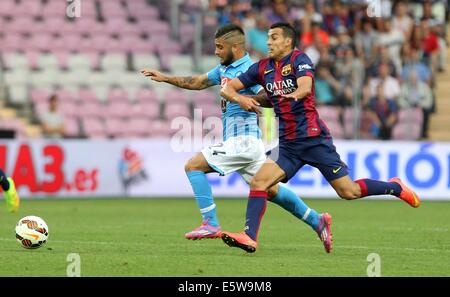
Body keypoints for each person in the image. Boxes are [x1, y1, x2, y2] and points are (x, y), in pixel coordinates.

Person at [220, 22, 420, 253]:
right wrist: (243, 100)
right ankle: (249, 237)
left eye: (274, 37)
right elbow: (227, 89)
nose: (268, 42)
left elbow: (305, 86)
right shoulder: (261, 67)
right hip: (288, 145)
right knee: (259, 181)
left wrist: (292, 94)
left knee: (349, 192)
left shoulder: (299, 60)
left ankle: (394, 187)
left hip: (314, 139)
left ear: (287, 41)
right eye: (268, 37)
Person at [141, 24, 332, 252]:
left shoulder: (253, 68)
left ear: (236, 47)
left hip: (244, 140)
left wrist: (249, 100)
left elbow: (272, 92)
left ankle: (210, 223)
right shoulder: (223, 70)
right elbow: (198, 82)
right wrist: (165, 78)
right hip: (245, 144)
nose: (216, 52)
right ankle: (316, 220)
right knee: (270, 190)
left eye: (220, 48)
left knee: (193, 166)